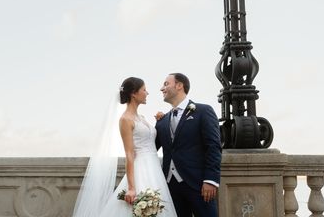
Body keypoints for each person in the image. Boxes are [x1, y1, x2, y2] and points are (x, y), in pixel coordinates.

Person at [73, 77, 177, 217]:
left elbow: (150, 140)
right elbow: (129, 153)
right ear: (134, 93)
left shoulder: (142, 118)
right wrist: (132, 188)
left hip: (155, 168)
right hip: (141, 169)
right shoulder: (125, 120)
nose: (147, 93)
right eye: (144, 90)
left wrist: (161, 118)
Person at [155, 73, 221, 217]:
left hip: (199, 184)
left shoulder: (203, 111)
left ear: (179, 86)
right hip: (170, 186)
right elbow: (150, 149)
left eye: (166, 84)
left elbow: (214, 146)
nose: (162, 88)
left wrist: (211, 180)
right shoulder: (162, 121)